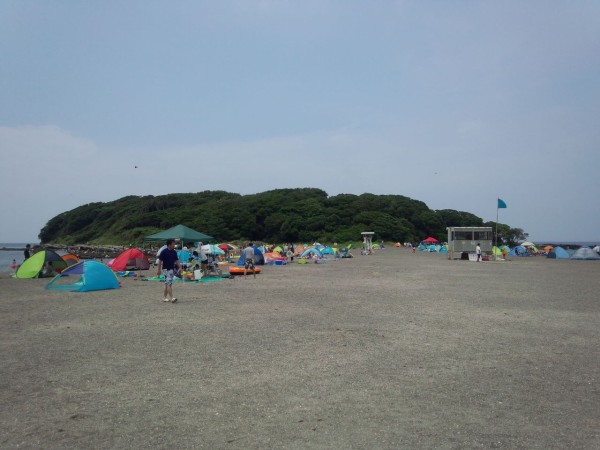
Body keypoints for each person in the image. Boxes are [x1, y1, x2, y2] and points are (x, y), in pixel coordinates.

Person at [156, 239, 181, 303]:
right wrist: (158, 270)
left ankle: (164, 297)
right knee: (169, 283)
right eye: (173, 244)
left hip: (172, 270)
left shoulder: (174, 252)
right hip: (166, 270)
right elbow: (160, 261)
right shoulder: (164, 252)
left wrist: (180, 267)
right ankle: (172, 298)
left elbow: (176, 260)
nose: (174, 245)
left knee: (167, 284)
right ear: (169, 245)